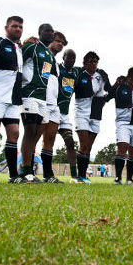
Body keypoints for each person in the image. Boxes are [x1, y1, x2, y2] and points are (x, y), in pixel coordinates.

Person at [0, 16, 27, 182]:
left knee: (14, 133)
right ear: (6, 27)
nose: (18, 29)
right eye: (14, 26)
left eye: (20, 27)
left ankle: (13, 175)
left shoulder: (18, 48)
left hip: (13, 97)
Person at [20, 24, 58, 182]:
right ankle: (26, 170)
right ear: (40, 32)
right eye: (47, 31)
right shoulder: (31, 47)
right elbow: (19, 63)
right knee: (29, 131)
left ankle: (28, 168)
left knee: (36, 133)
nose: (50, 33)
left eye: (52, 32)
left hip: (43, 97)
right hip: (29, 94)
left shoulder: (49, 54)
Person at [72, 51, 111, 181]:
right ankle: (80, 176)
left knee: (88, 146)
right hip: (81, 113)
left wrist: (104, 100)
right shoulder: (79, 75)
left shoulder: (101, 76)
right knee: (83, 144)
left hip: (96, 114)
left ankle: (83, 176)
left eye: (95, 62)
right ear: (84, 64)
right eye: (90, 62)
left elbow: (110, 92)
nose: (93, 64)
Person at [109, 67, 133, 185]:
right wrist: (116, 83)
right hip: (123, 122)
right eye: (131, 79)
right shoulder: (120, 87)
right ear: (127, 77)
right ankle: (118, 178)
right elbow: (109, 94)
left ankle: (129, 179)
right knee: (122, 146)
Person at [38, 31, 69, 183]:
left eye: (62, 42)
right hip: (40, 102)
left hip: (53, 104)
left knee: (49, 139)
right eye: (57, 41)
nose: (60, 44)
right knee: (33, 136)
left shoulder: (56, 63)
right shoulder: (41, 53)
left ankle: (48, 174)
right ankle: (26, 170)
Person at [55, 49, 80, 181]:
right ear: (63, 57)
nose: (71, 60)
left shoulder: (76, 72)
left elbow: (88, 70)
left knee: (70, 142)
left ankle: (74, 176)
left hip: (64, 114)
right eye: (69, 57)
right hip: (52, 110)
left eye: (73, 58)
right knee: (46, 140)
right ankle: (27, 169)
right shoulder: (58, 68)